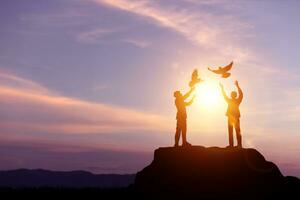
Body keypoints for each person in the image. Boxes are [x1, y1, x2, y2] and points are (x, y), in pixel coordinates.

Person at [219, 81, 243, 148]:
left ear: (234, 95)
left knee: (237, 131)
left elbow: (241, 94)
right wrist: (222, 88)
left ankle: (239, 145)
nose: (231, 95)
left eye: (233, 94)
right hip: (230, 117)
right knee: (231, 131)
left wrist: (237, 86)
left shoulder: (237, 101)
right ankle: (231, 145)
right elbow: (224, 96)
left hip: (235, 117)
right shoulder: (230, 101)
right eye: (231, 94)